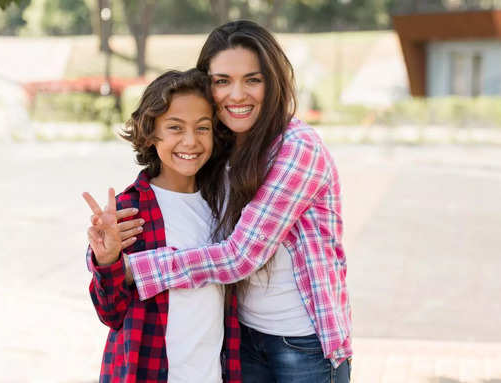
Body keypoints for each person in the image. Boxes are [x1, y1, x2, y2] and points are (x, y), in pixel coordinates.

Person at [90, 20, 352, 382]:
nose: (237, 94)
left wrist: (133, 268)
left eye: (253, 80)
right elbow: (111, 296)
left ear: (272, 81)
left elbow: (240, 255)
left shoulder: (297, 148)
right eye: (222, 81)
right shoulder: (219, 152)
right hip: (241, 338)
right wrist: (106, 260)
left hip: (300, 342)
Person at [82, 68, 240, 383]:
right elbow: (110, 312)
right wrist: (106, 259)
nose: (191, 141)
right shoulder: (130, 211)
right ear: (151, 133)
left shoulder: (222, 206)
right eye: (175, 127)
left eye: (202, 127)